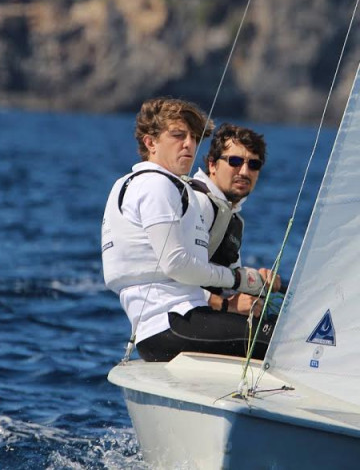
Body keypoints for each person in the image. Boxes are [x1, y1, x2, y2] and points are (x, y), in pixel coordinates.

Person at [101, 97, 273, 362]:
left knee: (281, 332)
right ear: (151, 142)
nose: (189, 144)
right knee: (288, 341)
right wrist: (237, 282)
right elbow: (176, 264)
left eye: (194, 137)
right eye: (178, 135)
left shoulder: (151, 185)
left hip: (170, 324)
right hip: (173, 323)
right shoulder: (156, 185)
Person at [189, 123, 281, 318]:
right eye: (235, 161)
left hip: (206, 314)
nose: (245, 172)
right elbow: (174, 279)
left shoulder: (234, 219)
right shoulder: (199, 203)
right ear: (212, 165)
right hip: (180, 316)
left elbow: (229, 282)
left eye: (254, 164)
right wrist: (226, 305)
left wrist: (258, 282)